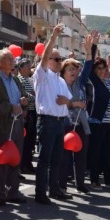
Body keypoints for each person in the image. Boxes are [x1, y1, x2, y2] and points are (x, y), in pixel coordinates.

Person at [32, 24, 73, 204]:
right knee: (44, 159)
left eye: (60, 59)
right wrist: (54, 36)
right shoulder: (41, 75)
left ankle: (54, 189)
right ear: (48, 60)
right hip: (47, 121)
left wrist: (67, 101)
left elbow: (69, 101)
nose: (58, 61)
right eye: (55, 59)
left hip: (59, 122)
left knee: (57, 159)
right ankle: (40, 193)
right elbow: (45, 55)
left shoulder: (61, 80)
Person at [0, 48, 29, 206]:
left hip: (17, 125)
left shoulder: (15, 79)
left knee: (15, 159)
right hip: (1, 126)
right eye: (9, 59)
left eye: (13, 59)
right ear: (0, 63)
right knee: (0, 162)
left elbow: (24, 96)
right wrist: (10, 107)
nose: (13, 62)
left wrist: (24, 102)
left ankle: (13, 191)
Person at [60, 33, 93, 194]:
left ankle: (80, 184)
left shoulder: (80, 82)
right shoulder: (59, 84)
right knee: (65, 157)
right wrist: (75, 104)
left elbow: (88, 67)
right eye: (70, 69)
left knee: (82, 155)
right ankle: (63, 185)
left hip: (81, 124)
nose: (73, 72)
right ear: (63, 72)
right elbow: (59, 102)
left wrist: (88, 51)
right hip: (66, 125)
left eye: (75, 69)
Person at [87, 43, 110, 189]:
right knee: (96, 152)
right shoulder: (93, 82)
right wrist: (92, 47)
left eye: (104, 68)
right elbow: (88, 67)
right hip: (97, 122)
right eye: (99, 68)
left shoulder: (109, 83)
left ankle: (109, 179)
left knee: (109, 152)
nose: (102, 71)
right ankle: (94, 179)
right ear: (94, 70)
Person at [17, 57, 37, 174]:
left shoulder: (29, 79)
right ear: (21, 68)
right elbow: (24, 95)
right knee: (26, 140)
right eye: (27, 66)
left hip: (32, 112)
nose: (30, 68)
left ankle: (28, 163)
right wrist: (35, 97)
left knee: (31, 140)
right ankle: (23, 164)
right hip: (26, 113)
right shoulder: (19, 79)